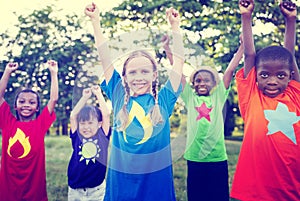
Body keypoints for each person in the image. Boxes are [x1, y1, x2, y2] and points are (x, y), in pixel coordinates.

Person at [85, 3, 184, 201]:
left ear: (154, 75)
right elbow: (105, 58)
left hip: (155, 186)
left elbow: (179, 63)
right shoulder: (118, 95)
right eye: (132, 72)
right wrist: (95, 22)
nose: (139, 77)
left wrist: (175, 27)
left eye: (145, 71)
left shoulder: (164, 100)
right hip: (121, 184)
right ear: (125, 77)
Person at [231, 0, 300, 200]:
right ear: (256, 76)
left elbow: (290, 58)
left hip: (290, 188)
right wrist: (246, 16)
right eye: (264, 75)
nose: (272, 81)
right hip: (255, 190)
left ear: (289, 75)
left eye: (280, 76)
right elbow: (249, 54)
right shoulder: (252, 96)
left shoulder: (295, 95)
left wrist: (291, 21)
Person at [179, 39, 243, 200]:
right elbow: (178, 73)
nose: (202, 83)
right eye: (198, 80)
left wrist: (241, 48)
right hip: (195, 158)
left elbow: (229, 71)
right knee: (196, 195)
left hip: (217, 158)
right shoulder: (190, 97)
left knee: (218, 195)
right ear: (193, 84)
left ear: (214, 83)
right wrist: (168, 49)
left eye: (206, 80)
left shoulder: (218, 96)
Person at [0, 60, 58, 201]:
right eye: (22, 101)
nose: (26, 105)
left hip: (34, 187)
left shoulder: (40, 124)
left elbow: (53, 99)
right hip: (9, 186)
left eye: (32, 102)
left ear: (37, 108)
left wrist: (53, 73)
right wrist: (7, 72)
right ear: (15, 106)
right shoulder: (7, 122)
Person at [67, 85, 111, 201]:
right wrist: (85, 97)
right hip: (75, 189)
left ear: (99, 124)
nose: (86, 127)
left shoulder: (103, 136)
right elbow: (73, 115)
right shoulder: (77, 136)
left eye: (90, 123)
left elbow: (106, 115)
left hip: (96, 189)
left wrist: (98, 94)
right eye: (83, 123)